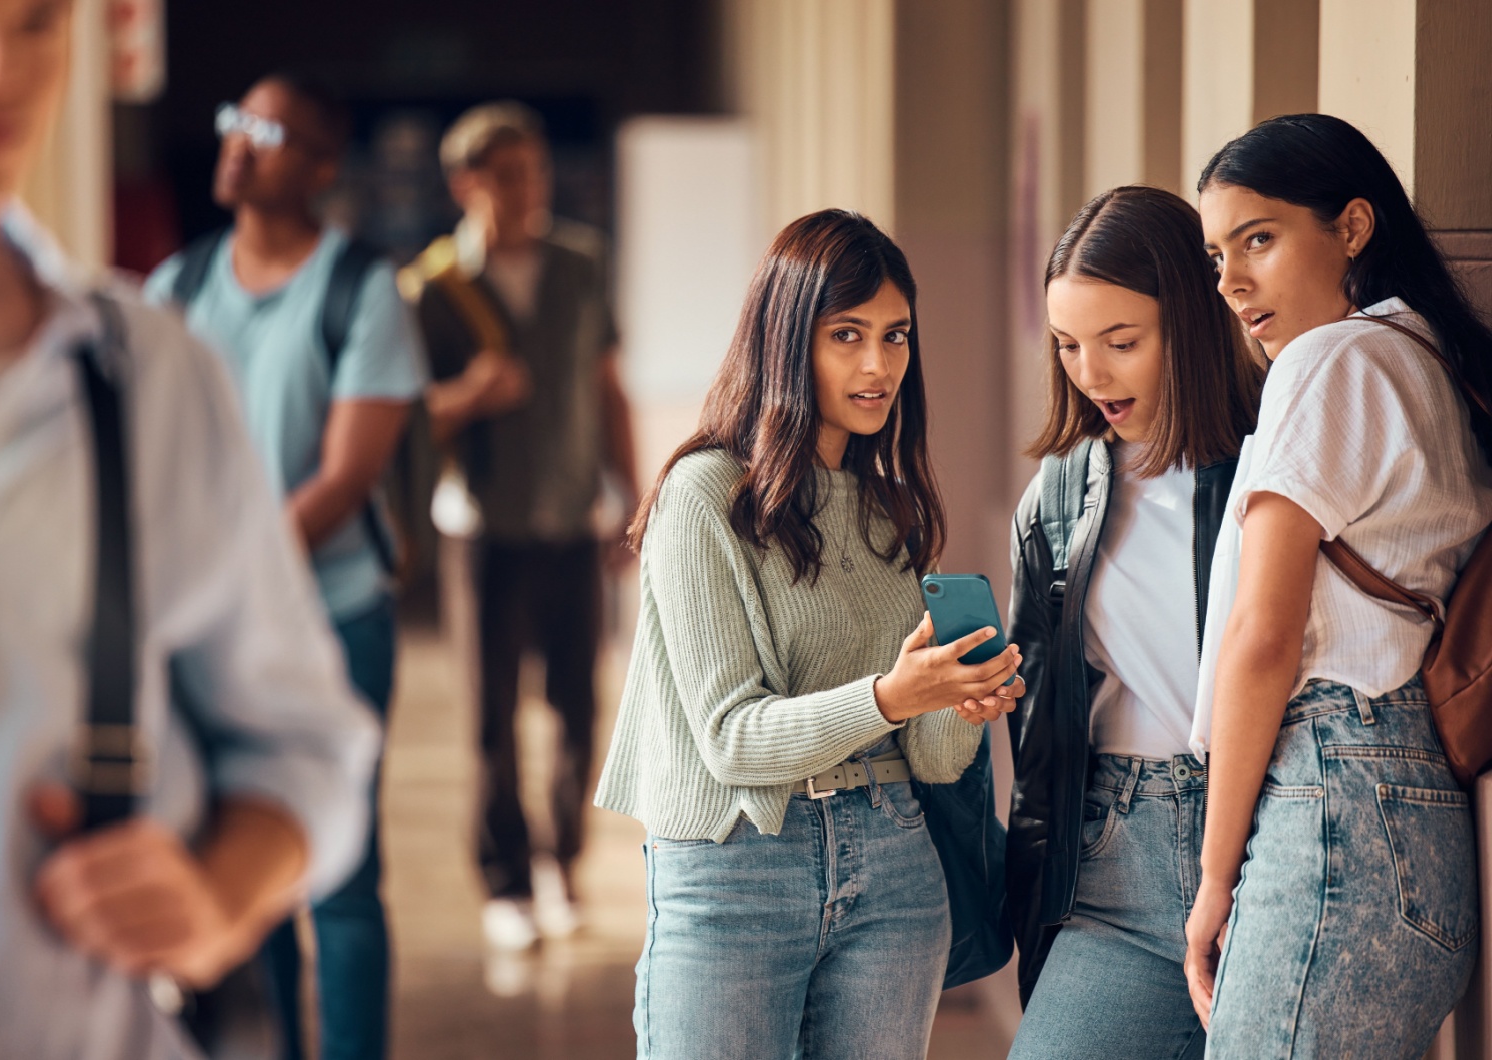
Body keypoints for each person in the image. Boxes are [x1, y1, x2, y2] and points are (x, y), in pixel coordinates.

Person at [0, 0, 380, 1056]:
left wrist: (216, 894)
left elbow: (308, 746)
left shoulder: (152, 373)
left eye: (34, 23)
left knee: (344, 919)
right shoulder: (188, 284)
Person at [594, 209, 1024, 1060]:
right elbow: (731, 739)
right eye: (847, 335)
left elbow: (932, 761)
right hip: (734, 872)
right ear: (788, 340)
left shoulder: (888, 504)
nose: (878, 365)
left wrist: (955, 701)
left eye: (896, 335)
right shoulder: (703, 498)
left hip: (896, 869)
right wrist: (893, 695)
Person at [1185, 113, 1492, 1056]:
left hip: (1334, 809)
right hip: (1414, 826)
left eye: (1260, 240)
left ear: (1352, 228)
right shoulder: (1432, 362)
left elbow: (1263, 639)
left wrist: (1212, 879)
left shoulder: (1332, 360)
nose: (1233, 282)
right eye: (1217, 255)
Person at [145, 74, 424, 1060]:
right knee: (234, 860)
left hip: (337, 615)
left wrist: (229, 576)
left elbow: (346, 476)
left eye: (266, 131)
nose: (238, 142)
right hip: (201, 627)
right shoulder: (171, 294)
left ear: (317, 165)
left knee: (337, 877)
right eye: (234, 121)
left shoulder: (360, 290)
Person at [1002, 187, 1264, 1060]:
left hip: (1275, 839)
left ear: (1187, 323)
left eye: (1122, 342)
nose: (1091, 372)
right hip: (1119, 853)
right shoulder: (1059, 497)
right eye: (1069, 344)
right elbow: (1040, 731)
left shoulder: (1275, 457)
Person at [399, 101, 638, 949]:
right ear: (467, 184)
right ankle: (504, 884)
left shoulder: (581, 265)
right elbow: (402, 418)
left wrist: (632, 496)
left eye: (536, 171)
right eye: (508, 174)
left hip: (573, 518)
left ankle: (561, 867)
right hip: (482, 530)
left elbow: (609, 388)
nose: (529, 188)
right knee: (490, 719)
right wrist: (471, 394)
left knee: (579, 709)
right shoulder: (433, 288)